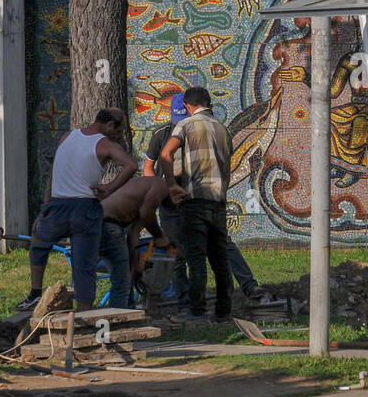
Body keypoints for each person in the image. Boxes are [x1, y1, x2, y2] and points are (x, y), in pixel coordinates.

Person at [143, 94, 266, 304]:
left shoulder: (202, 130)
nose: (181, 123)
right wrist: (166, 189)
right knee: (178, 252)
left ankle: (246, 286)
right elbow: (149, 168)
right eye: (177, 119)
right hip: (170, 202)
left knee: (220, 246)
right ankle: (186, 303)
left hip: (197, 197)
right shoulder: (162, 133)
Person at [18, 109, 137, 313]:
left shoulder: (67, 136)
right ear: (109, 125)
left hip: (57, 205)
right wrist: (108, 188)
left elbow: (53, 175)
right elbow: (131, 165)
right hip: (84, 209)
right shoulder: (104, 143)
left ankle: (34, 293)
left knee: (39, 246)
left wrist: (44, 210)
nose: (118, 137)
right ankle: (83, 311)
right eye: (118, 131)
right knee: (84, 263)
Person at [156, 88, 236, 321]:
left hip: (194, 201)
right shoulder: (223, 129)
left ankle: (196, 311)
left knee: (196, 258)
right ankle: (223, 312)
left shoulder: (186, 125)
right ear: (208, 103)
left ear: (189, 106)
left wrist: (171, 186)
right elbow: (227, 169)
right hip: (218, 201)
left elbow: (166, 154)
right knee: (220, 259)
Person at [98, 175, 172, 308]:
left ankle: (128, 309)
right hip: (108, 223)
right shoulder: (160, 184)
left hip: (97, 222)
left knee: (124, 276)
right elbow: (147, 214)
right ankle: (119, 321)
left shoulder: (141, 197)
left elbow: (134, 236)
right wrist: (159, 236)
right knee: (122, 281)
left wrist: (136, 265)